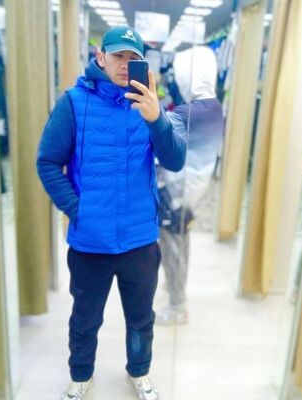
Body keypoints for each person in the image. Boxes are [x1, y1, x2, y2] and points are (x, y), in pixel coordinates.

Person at [37, 26, 186, 400]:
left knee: (141, 319)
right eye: (118, 56)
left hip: (140, 239)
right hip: (91, 241)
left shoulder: (150, 104)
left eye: (134, 59)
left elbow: (175, 160)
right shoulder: (73, 103)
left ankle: (139, 373)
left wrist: (157, 118)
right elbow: (48, 162)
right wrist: (77, 210)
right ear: (100, 56)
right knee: (85, 320)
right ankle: (81, 376)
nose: (125, 64)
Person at [156, 46, 224, 325]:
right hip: (187, 190)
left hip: (178, 191)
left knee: (172, 246)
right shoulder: (210, 108)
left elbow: (163, 137)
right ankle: (176, 289)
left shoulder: (194, 113)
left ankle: (177, 306)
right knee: (180, 242)